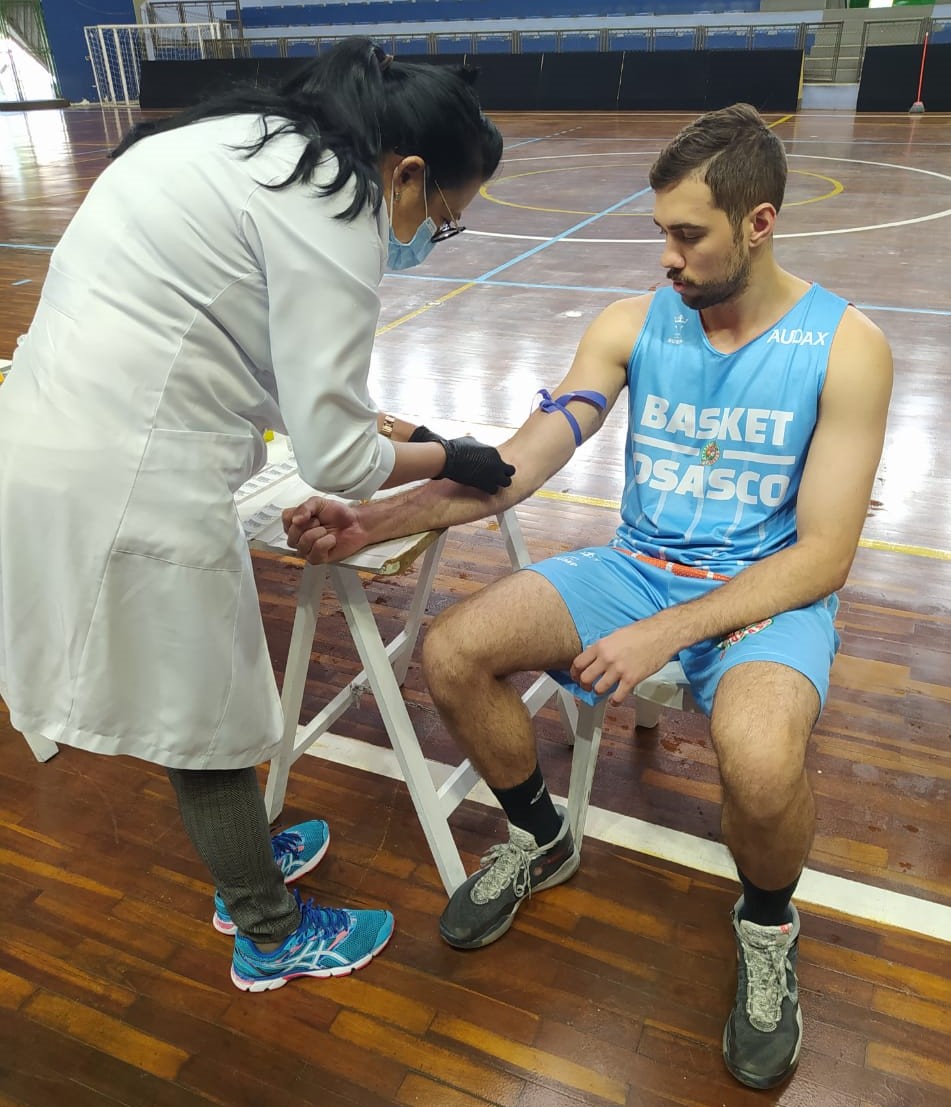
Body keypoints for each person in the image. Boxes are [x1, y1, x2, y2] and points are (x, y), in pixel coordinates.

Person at [282, 103, 893, 1086]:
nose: (668, 258)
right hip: (637, 565)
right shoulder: (630, 326)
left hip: (767, 592)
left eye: (688, 235)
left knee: (759, 756)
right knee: (452, 650)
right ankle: (539, 835)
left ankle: (768, 924)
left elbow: (824, 558)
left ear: (760, 223)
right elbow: (520, 466)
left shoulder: (845, 346)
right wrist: (377, 520)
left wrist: (665, 633)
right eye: (662, 233)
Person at [0, 39, 513, 992]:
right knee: (207, 710)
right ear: (405, 172)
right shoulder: (338, 203)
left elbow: (246, 346)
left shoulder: (242, 144)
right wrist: (447, 456)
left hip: (50, 436)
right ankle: (267, 929)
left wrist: (384, 426)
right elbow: (337, 459)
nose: (422, 239)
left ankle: (247, 857)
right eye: (438, 221)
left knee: (203, 694)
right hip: (126, 467)